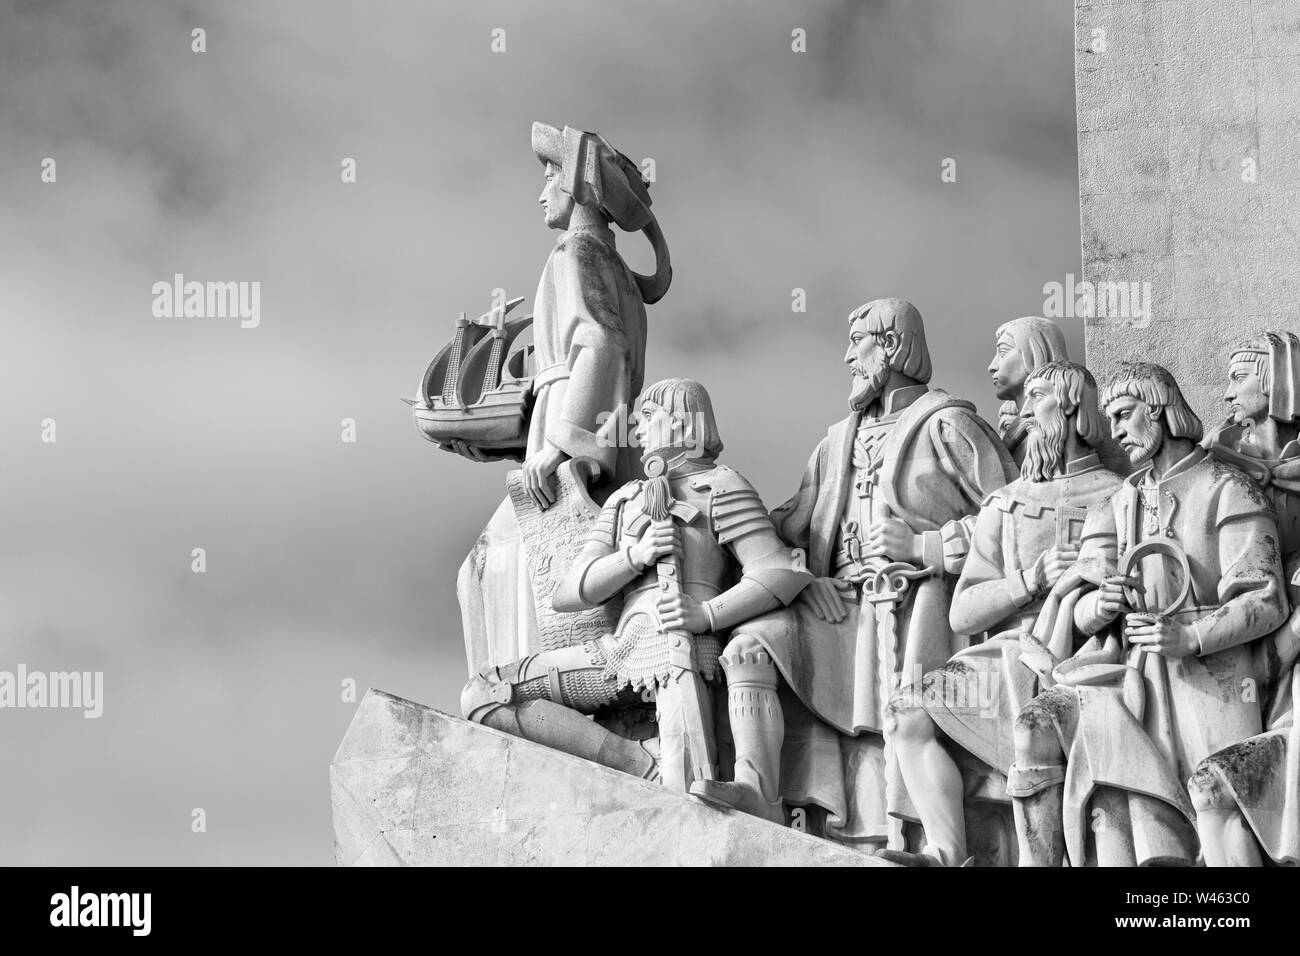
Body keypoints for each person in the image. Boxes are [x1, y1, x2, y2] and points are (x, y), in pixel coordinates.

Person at [696, 298, 1017, 843]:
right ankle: (758, 792)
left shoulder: (951, 426)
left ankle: (940, 848)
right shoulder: (834, 443)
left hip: (922, 604)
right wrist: (800, 575)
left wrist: (927, 546)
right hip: (840, 605)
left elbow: (1013, 517)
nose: (848, 357)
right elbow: (789, 527)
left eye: (857, 342)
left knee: (909, 722)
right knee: (749, 645)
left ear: (889, 347)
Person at [459, 378, 811, 795]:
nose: (638, 430)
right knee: (485, 696)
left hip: (685, 649)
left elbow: (779, 571)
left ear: (682, 422)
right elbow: (570, 592)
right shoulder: (625, 500)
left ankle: (678, 769)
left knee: (690, 791)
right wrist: (634, 557)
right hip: (619, 652)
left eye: (649, 418)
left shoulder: (719, 486)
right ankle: (640, 762)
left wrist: (707, 614)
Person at [1007, 362, 1287, 866]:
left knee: (1217, 802)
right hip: (1138, 677)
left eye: (1123, 414)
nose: (1114, 430)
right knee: (1131, 808)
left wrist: (1191, 636)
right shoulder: (1120, 502)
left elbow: (1266, 597)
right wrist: (1101, 605)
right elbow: (1081, 603)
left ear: (1156, 408)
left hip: (1215, 677)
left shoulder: (1227, 487)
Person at [884, 361, 1123, 865]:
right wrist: (1028, 581)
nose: (1026, 412)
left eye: (1039, 397)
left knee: (1042, 743)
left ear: (1073, 405)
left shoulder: (1119, 495)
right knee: (907, 713)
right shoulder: (1006, 504)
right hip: (1005, 658)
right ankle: (946, 851)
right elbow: (963, 612)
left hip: (1087, 659)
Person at [455, 123, 672, 673]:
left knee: (491, 563)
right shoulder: (611, 265)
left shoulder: (575, 253)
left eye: (551, 174)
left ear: (578, 184)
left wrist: (565, 446)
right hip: (602, 430)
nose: (541, 190)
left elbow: (602, 346)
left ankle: (524, 689)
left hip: (578, 441)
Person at [1190, 331, 1300, 866]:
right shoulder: (1219, 462)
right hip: (1254, 636)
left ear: (1277, 381)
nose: (1228, 394)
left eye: (1239, 378)